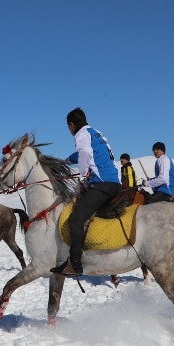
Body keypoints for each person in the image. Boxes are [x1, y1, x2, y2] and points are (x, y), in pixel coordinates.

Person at [51, 107, 121, 275]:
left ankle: (75, 263)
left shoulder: (81, 134)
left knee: (75, 219)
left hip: (102, 184)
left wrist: (84, 173)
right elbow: (87, 153)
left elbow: (84, 152)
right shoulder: (96, 132)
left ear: (72, 125)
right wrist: (67, 161)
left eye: (68, 127)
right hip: (114, 182)